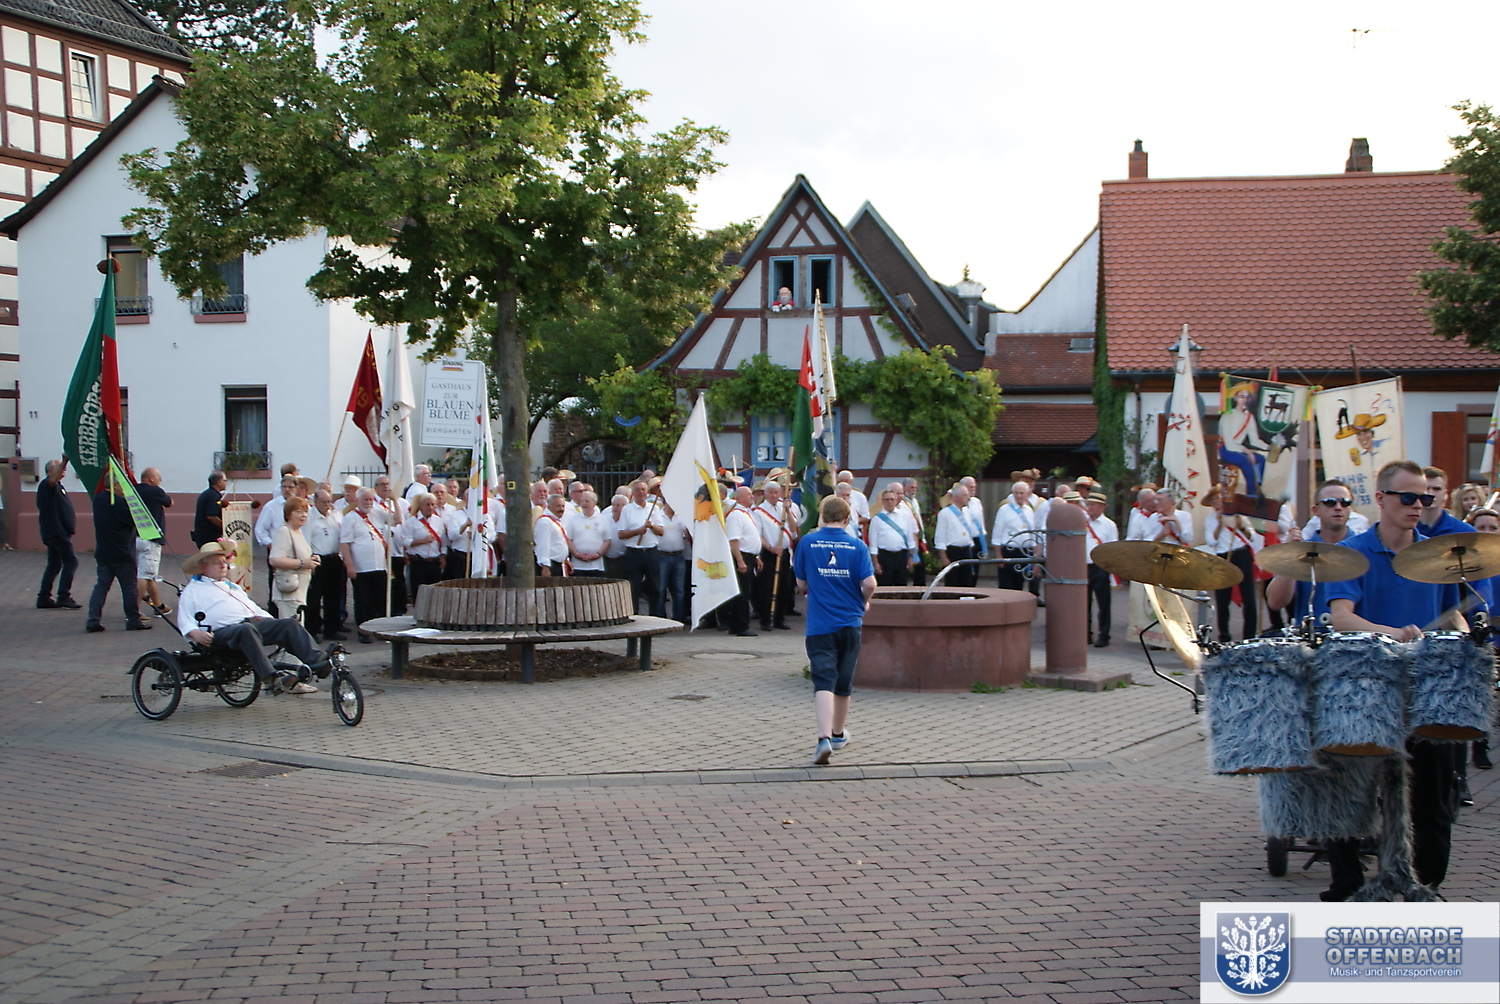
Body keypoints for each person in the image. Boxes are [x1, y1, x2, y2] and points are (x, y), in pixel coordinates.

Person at [1321, 460, 1466, 900]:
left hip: (1425, 690)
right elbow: (1341, 618)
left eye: (1425, 497)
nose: (1418, 504)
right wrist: (1393, 634)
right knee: (1351, 794)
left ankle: (1427, 885)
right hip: (1365, 687)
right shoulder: (1352, 553)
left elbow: (1453, 615)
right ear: (1382, 498)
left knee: (1433, 798)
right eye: (1408, 497)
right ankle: (1347, 888)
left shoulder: (1437, 556)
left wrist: (1463, 637)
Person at [177, 540, 330, 696]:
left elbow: (252, 608)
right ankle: (270, 678)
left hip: (248, 624)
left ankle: (317, 661)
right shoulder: (193, 590)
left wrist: (272, 622)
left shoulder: (231, 586)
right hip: (220, 633)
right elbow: (185, 619)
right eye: (217, 563)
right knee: (246, 629)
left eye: (224, 561)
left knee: (288, 624)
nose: (223, 565)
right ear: (204, 567)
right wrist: (196, 634)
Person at [795, 495, 878, 765]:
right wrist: (864, 602)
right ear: (847, 518)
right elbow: (870, 583)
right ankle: (839, 733)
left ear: (821, 516)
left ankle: (823, 739)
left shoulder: (807, 542)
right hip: (850, 622)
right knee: (843, 682)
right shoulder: (857, 545)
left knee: (823, 681)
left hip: (820, 624)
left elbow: (800, 582)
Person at [1266, 480, 1354, 628]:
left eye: (1345, 502)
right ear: (1315, 510)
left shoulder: (1363, 548)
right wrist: (1291, 553)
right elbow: (1275, 602)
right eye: (1330, 502)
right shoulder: (1303, 550)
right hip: (1312, 637)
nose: (1338, 507)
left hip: (1355, 637)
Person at [86, 479, 148, 632]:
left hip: (104, 552)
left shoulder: (98, 499)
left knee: (101, 588)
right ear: (115, 485)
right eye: (122, 484)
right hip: (123, 553)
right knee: (129, 589)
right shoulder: (122, 504)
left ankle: (93, 620)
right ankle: (133, 620)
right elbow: (136, 520)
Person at [1463, 507, 1498, 774]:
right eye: (1481, 527)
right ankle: (1478, 744)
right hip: (1476, 633)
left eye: (1492, 528)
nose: (1487, 532)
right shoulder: (1464, 562)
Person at [1203, 485, 1259, 642]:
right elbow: (1211, 541)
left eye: (1218, 498)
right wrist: (1220, 524)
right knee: (1222, 598)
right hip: (1222, 555)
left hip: (1241, 553)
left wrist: (1241, 526)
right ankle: (1224, 635)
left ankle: (1249, 635)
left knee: (1248, 596)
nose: (1217, 501)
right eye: (1213, 499)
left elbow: (1252, 536)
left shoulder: (1238, 514)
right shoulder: (1210, 519)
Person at [340, 488, 389, 642]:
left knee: (380, 599)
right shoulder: (350, 518)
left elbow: (397, 520)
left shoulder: (378, 513)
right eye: (365, 499)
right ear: (358, 500)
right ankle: (364, 631)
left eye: (370, 499)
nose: (368, 503)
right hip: (361, 567)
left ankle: (380, 629)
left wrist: (394, 499)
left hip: (379, 565)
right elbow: (345, 543)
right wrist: (349, 565)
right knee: (363, 600)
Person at [268, 496, 316, 642]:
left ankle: (293, 656)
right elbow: (274, 560)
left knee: (297, 630)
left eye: (305, 511)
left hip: (299, 590)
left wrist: (312, 559)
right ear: (288, 514)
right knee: (292, 632)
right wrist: (302, 563)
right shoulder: (284, 531)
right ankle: (289, 657)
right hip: (288, 591)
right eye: (299, 511)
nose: (303, 515)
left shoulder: (297, 531)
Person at [35, 459, 81, 609]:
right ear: (50, 471)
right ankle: (63, 596)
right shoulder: (47, 484)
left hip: (57, 531)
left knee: (54, 564)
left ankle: (44, 597)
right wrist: (65, 460)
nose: (63, 470)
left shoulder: (58, 486)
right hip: (56, 531)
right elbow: (52, 481)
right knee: (71, 561)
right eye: (60, 468)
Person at [753, 481, 797, 630]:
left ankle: (779, 618)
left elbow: (793, 528)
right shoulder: (759, 511)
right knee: (766, 587)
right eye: (771, 492)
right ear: (765, 494)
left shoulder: (783, 508)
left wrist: (788, 511)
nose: (774, 495)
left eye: (776, 492)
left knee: (784, 587)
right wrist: (771, 548)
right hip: (768, 552)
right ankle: (765, 619)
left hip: (783, 552)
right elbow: (758, 535)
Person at [303, 490, 347, 641]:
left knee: (334, 596)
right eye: (324, 502)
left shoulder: (335, 515)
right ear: (315, 502)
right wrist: (310, 562)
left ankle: (332, 629)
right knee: (314, 597)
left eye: (329, 501)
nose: (327, 505)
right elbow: (306, 541)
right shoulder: (310, 518)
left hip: (334, 558)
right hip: (318, 559)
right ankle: (312, 630)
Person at [617, 480, 663, 612]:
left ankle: (654, 616)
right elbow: (621, 534)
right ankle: (634, 615)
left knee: (655, 587)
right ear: (633, 493)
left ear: (647, 492)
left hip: (651, 552)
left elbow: (661, 531)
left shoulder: (654, 508)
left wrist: (651, 526)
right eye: (637, 490)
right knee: (633, 588)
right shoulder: (627, 509)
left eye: (643, 489)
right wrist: (638, 531)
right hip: (634, 553)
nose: (641, 492)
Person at [723, 485, 761, 636]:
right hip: (742, 556)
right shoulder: (736, 515)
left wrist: (756, 556)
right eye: (748, 494)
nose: (752, 496)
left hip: (749, 556)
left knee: (746, 591)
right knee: (742, 593)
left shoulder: (746, 513)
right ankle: (740, 626)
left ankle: (736, 624)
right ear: (739, 498)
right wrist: (740, 561)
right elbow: (734, 540)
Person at [134, 467, 172, 615]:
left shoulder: (134, 489)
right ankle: (134, 611)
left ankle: (158, 605)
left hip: (135, 536)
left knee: (149, 574)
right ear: (151, 478)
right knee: (144, 576)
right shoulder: (156, 491)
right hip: (151, 539)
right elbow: (169, 502)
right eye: (158, 477)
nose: (160, 480)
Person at [992, 478, 1039, 595]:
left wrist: (1034, 553)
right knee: (1006, 586)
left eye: (1021, 493)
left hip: (1024, 552)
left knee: (1019, 585)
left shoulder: (1029, 510)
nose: (1018, 496)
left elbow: (1032, 532)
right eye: (1016, 493)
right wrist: (998, 556)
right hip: (1008, 551)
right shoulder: (1004, 510)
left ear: (1027, 494)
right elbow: (997, 534)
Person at [399, 492, 449, 599]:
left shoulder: (438, 521)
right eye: (427, 504)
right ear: (421, 505)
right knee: (419, 594)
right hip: (418, 563)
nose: (430, 507)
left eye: (432, 504)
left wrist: (443, 556)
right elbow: (404, 541)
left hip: (435, 563)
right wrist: (422, 541)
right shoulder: (411, 521)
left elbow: (443, 541)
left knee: (435, 594)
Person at [1083, 491, 1118, 647]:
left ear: (1102, 507)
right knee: (1084, 603)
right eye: (1088, 504)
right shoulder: (1082, 522)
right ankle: (1086, 633)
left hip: (1100, 567)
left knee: (1103, 603)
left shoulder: (1109, 525)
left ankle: (1104, 635)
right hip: (1084, 566)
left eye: (1093, 505)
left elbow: (1112, 547)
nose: (1090, 508)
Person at [869, 487, 918, 586]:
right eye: (887, 499)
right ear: (882, 502)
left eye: (892, 499)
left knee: (902, 585)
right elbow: (873, 544)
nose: (890, 502)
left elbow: (910, 539)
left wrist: (911, 557)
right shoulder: (876, 519)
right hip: (884, 556)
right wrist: (875, 563)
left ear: (896, 500)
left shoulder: (905, 516)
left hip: (901, 556)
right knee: (884, 585)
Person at [935, 485, 981, 587]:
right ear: (957, 497)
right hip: (953, 552)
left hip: (966, 551)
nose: (968, 498)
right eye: (965, 495)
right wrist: (943, 557)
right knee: (953, 582)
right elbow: (940, 537)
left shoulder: (967, 511)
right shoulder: (945, 513)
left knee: (967, 582)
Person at [565, 490, 611, 578]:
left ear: (594, 503)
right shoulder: (573, 519)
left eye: (587, 501)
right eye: (582, 501)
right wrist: (576, 554)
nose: (583, 503)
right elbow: (569, 539)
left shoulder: (603, 519)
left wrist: (597, 555)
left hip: (596, 566)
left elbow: (607, 540)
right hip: (577, 566)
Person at [1416, 466, 1470, 538]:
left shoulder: (1464, 531)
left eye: (1436, 489)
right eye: (1426, 488)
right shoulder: (1405, 529)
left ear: (1445, 494)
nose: (1430, 493)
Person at [534, 493, 571, 576]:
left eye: (563, 506)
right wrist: (545, 567)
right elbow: (543, 546)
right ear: (549, 507)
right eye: (558, 506)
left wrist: (566, 560)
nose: (561, 509)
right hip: (550, 565)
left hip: (559, 565)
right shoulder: (545, 522)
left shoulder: (556, 521)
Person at [192, 470, 227, 546]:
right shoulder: (214, 496)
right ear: (219, 482)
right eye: (225, 480)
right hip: (209, 536)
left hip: (201, 535)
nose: (226, 483)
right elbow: (211, 516)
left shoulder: (206, 493)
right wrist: (225, 526)